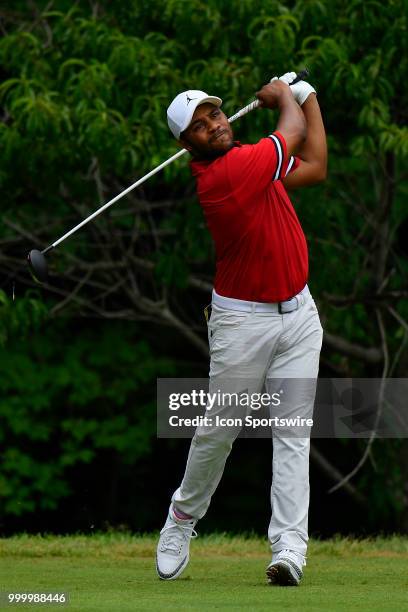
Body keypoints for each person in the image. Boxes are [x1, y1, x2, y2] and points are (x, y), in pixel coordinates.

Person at [156, 72, 327, 586]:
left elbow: (315, 167)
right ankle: (181, 519)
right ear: (188, 146)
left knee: (293, 434)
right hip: (241, 323)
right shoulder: (222, 177)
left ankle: (289, 551)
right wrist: (284, 96)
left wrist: (308, 97)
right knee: (218, 432)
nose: (214, 124)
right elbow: (291, 134)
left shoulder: (254, 162)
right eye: (200, 126)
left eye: (215, 114)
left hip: (299, 315)